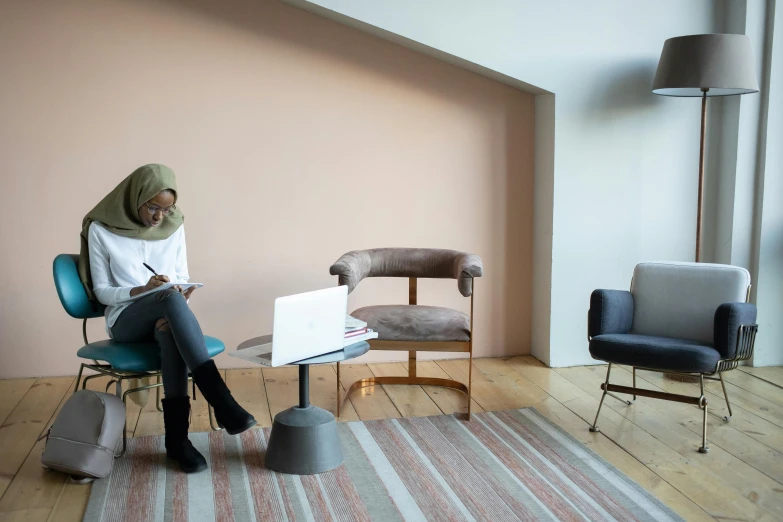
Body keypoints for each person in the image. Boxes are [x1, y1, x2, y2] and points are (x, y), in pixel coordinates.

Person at [78, 164, 256, 473]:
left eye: (167, 209)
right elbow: (103, 291)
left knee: (171, 327)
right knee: (169, 302)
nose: (160, 216)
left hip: (165, 312)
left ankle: (177, 442)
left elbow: (182, 275)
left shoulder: (174, 225)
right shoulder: (101, 228)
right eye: (153, 207)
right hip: (126, 320)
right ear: (136, 197)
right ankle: (221, 401)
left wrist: (180, 292)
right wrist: (143, 289)